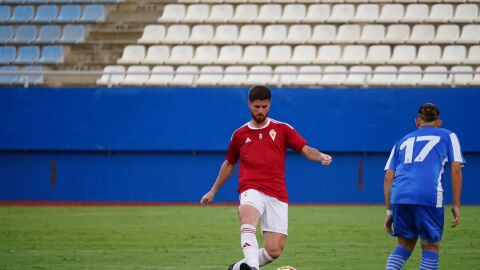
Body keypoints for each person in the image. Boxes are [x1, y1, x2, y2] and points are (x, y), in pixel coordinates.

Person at [200, 86, 333, 270]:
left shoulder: (282, 129)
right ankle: (253, 268)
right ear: (249, 105)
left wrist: (321, 157)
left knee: (274, 250)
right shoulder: (239, 134)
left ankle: (238, 268)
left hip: (277, 193)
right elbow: (229, 163)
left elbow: (305, 149)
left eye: (264, 106)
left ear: (269, 104)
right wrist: (213, 190)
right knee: (248, 219)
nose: (260, 111)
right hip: (250, 188)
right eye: (256, 107)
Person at [383, 103, 465, 270]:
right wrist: (456, 204)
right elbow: (456, 169)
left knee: (404, 245)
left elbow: (388, 177)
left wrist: (390, 211)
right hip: (429, 196)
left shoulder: (402, 140)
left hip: (400, 196)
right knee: (430, 247)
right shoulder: (448, 136)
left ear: (417, 122)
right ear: (439, 122)